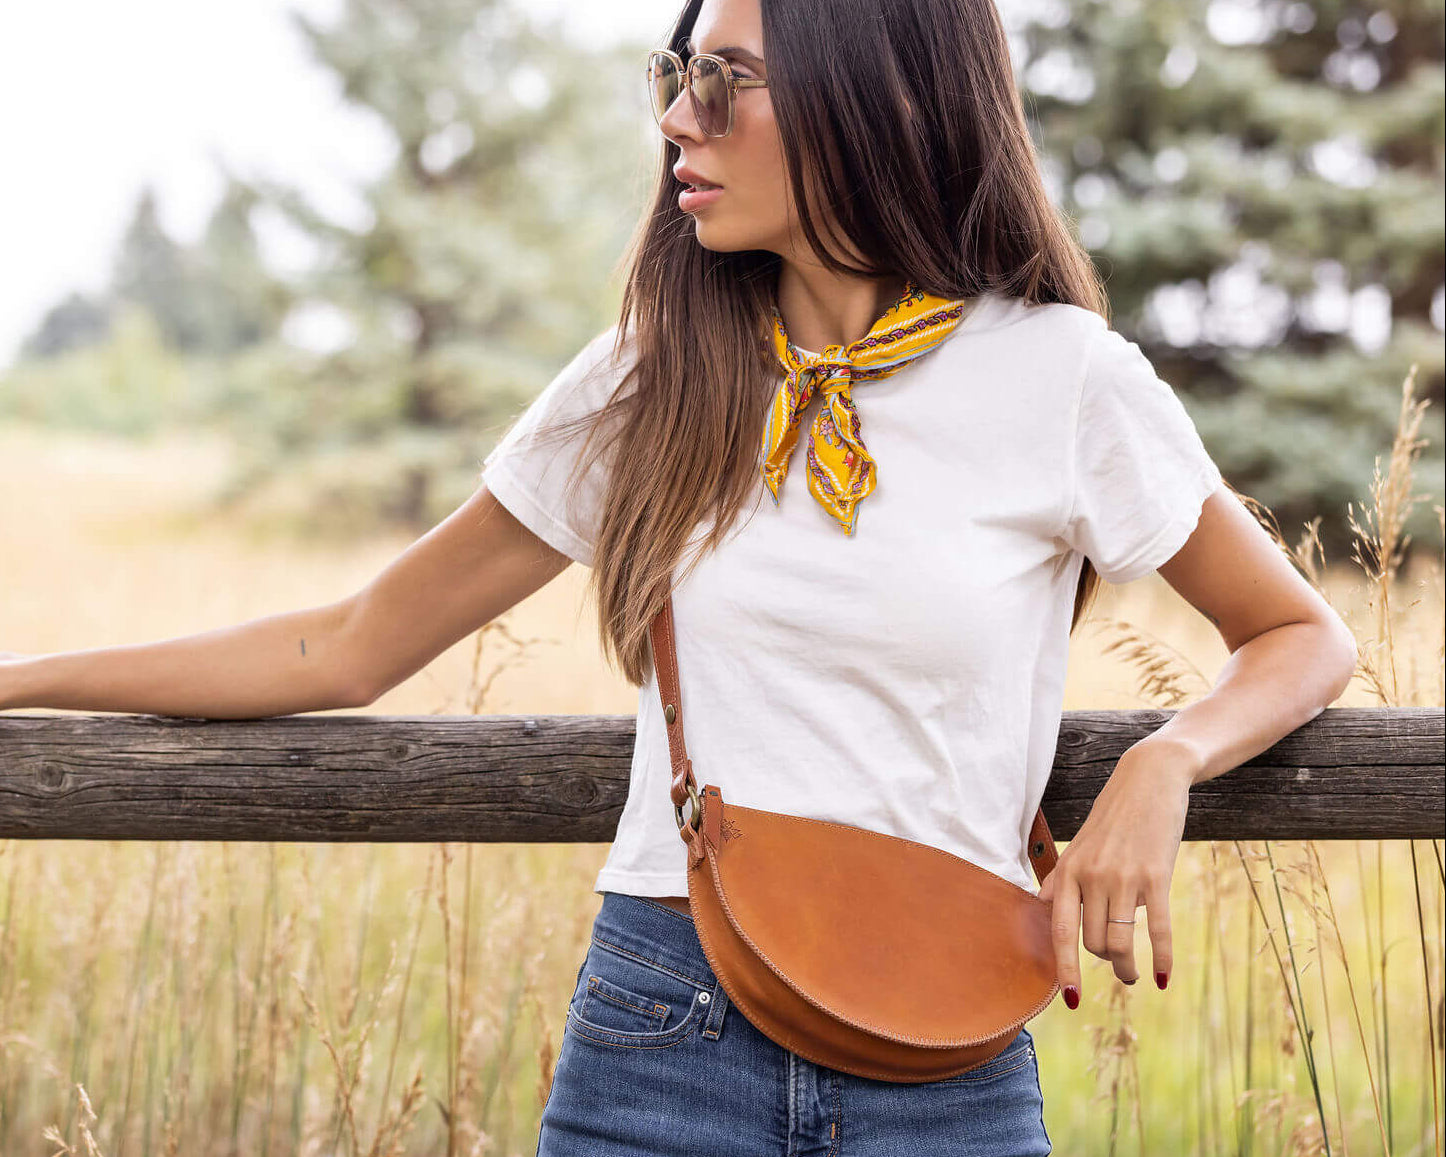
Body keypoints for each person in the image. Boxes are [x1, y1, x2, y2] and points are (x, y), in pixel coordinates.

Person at [0, 0, 1359, 1152]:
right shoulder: (647, 377)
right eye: (675, 76)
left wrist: (1164, 762)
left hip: (948, 1048)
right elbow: (351, 643)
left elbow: (1299, 636)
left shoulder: (1061, 378)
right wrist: (23, 677)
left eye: (724, 81)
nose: (674, 122)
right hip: (663, 1031)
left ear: (877, 96)